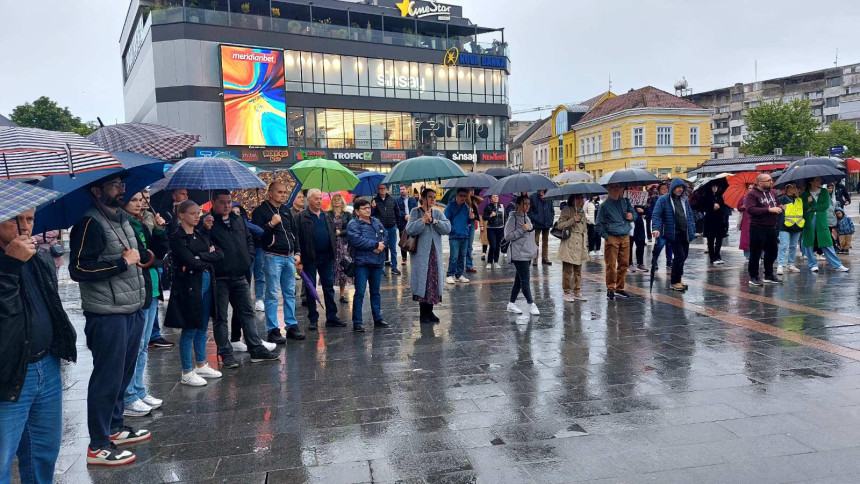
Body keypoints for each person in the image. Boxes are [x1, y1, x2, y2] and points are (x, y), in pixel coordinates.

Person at [69, 176, 152, 466]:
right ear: (96, 190)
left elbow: (134, 256)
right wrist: (121, 262)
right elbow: (79, 270)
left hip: (132, 308)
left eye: (122, 184)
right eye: (115, 185)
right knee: (107, 378)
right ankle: (99, 444)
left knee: (123, 375)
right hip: (108, 313)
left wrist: (142, 255)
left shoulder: (123, 220)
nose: (122, 189)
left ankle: (115, 426)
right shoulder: (89, 223)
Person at [0, 208, 77, 480]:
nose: (24, 227)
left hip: (47, 365)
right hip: (10, 374)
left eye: (29, 219)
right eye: (13, 219)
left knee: (42, 453)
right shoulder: (10, 262)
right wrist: (9, 266)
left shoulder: (38, 258)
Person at [205, 191, 280, 368]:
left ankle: (256, 348)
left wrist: (249, 257)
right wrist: (205, 229)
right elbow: (203, 246)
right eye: (222, 202)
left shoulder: (238, 219)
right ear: (213, 202)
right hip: (220, 277)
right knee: (221, 317)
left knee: (247, 313)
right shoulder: (207, 222)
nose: (226, 205)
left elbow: (249, 239)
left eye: (229, 202)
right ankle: (226, 353)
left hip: (240, 275)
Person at [163, 201, 224, 386]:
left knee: (202, 326)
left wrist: (202, 256)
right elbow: (190, 261)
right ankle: (187, 371)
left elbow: (219, 254)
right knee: (189, 328)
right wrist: (206, 256)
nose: (197, 216)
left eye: (199, 212)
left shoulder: (200, 233)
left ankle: (201, 363)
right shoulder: (177, 237)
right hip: (189, 286)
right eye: (193, 213)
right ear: (181, 215)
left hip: (206, 283)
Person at [121, 192, 169, 418]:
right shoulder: (125, 226)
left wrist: (159, 230)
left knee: (142, 345)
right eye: (134, 200)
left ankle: (139, 390)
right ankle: (129, 395)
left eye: (141, 200)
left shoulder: (141, 224)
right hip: (138, 288)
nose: (140, 204)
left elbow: (158, 253)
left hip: (151, 287)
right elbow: (142, 256)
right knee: (136, 344)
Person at [251, 183, 305, 343]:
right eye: (279, 192)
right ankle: (273, 329)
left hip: (289, 256)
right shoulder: (260, 211)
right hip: (272, 256)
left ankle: (291, 326)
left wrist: (297, 252)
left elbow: (294, 233)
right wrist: (271, 224)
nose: (283, 195)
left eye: (285, 192)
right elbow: (257, 235)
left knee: (290, 293)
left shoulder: (286, 210)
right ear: (270, 193)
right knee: (273, 294)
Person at [295, 189, 346, 330]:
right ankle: (313, 318)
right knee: (311, 288)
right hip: (309, 258)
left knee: (329, 287)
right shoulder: (301, 217)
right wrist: (300, 259)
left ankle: (332, 316)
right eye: (316, 198)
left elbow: (332, 233)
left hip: (327, 257)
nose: (319, 201)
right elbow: (297, 238)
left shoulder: (326, 215)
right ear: (309, 200)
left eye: (320, 198)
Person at [406, 188, 451, 324]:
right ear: (423, 198)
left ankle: (430, 311)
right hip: (421, 256)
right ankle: (423, 313)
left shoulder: (438, 213)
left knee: (433, 282)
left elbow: (447, 228)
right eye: (430, 197)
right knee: (423, 283)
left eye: (434, 197)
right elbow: (410, 230)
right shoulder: (415, 212)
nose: (433, 199)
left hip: (435, 255)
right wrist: (422, 221)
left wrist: (434, 221)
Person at [347, 199, 389, 332]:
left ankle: (378, 317)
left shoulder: (376, 221)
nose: (367, 210)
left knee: (375, 292)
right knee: (360, 292)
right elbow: (357, 240)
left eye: (368, 208)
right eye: (364, 208)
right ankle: (357, 321)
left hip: (377, 261)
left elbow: (385, 234)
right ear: (357, 211)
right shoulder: (353, 224)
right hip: (362, 263)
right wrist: (375, 245)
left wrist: (382, 245)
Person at [651, 178, 696, 291]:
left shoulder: (684, 199)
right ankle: (674, 282)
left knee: (684, 256)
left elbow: (689, 214)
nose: (680, 189)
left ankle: (678, 279)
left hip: (685, 233)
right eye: (678, 187)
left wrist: (692, 227)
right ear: (673, 188)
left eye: (682, 187)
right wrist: (656, 228)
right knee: (679, 256)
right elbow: (656, 214)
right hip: (673, 233)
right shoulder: (664, 199)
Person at [801, 177, 850, 273]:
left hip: (821, 220)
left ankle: (837, 265)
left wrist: (813, 207)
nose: (820, 182)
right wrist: (810, 206)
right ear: (811, 182)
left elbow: (826, 205)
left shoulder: (824, 192)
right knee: (809, 242)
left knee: (827, 241)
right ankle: (812, 264)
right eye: (817, 180)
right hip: (809, 220)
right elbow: (804, 206)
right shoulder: (805, 194)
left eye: (819, 180)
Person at [595, 183, 635, 299]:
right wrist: (607, 236)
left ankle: (620, 287)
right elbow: (598, 224)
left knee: (624, 264)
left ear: (622, 188)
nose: (616, 189)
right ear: (608, 190)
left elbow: (634, 215)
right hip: (612, 236)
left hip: (625, 236)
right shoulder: (604, 206)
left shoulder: (626, 202)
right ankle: (611, 288)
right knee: (611, 265)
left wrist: (632, 216)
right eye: (613, 187)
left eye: (618, 187)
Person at [743, 174, 783, 285]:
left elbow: (776, 204)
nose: (771, 182)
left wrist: (780, 207)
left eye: (771, 180)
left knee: (772, 252)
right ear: (760, 183)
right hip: (758, 226)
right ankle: (754, 276)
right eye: (768, 180)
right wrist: (768, 210)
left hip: (772, 226)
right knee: (755, 253)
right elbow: (750, 209)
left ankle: (769, 275)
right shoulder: (752, 194)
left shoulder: (773, 192)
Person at [504, 195, 541, 315]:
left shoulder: (527, 217)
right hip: (519, 253)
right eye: (525, 204)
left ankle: (511, 303)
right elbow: (507, 236)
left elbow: (530, 232)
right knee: (525, 280)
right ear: (518, 204)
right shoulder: (513, 218)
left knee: (519, 280)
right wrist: (521, 230)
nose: (527, 206)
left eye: (528, 204)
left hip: (528, 252)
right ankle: (531, 304)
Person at [557, 194, 589, 302]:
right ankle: (567, 291)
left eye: (581, 198)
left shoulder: (582, 212)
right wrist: (572, 220)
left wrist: (586, 242)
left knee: (578, 270)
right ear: (573, 200)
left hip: (580, 243)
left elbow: (584, 228)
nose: (580, 200)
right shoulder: (567, 210)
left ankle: (577, 291)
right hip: (569, 243)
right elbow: (560, 225)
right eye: (577, 198)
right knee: (567, 270)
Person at [444, 188, 473, 284]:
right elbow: (445, 220)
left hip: (464, 235)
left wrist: (471, 218)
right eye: (461, 195)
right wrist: (452, 229)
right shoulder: (450, 206)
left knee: (462, 257)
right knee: (454, 257)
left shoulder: (466, 207)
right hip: (454, 236)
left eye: (465, 196)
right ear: (457, 196)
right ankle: (450, 274)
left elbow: (467, 221)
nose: (463, 198)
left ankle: (459, 274)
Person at [371, 184, 401, 275]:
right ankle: (381, 268)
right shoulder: (375, 200)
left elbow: (397, 212)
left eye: (384, 188)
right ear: (378, 190)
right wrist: (373, 208)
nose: (382, 190)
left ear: (386, 189)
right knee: (382, 248)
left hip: (392, 227)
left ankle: (394, 267)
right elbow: (371, 215)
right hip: (381, 229)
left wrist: (397, 224)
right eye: (380, 188)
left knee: (393, 248)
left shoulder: (392, 199)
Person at [329, 193, 353, 302]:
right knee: (332, 268)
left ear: (342, 202)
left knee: (343, 268)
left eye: (338, 199)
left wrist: (341, 232)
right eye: (334, 199)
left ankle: (342, 295)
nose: (336, 201)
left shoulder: (347, 214)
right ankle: (330, 293)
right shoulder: (328, 214)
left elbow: (351, 229)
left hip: (343, 244)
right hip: (332, 244)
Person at [777, 182, 804, 275]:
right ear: (788, 188)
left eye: (796, 187)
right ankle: (781, 264)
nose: (796, 189)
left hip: (797, 225)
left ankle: (790, 264)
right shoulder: (782, 198)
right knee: (784, 245)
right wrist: (780, 207)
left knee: (793, 246)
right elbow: (776, 208)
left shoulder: (799, 199)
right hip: (785, 225)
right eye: (793, 187)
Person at [700, 183, 729, 265]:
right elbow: (703, 207)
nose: (715, 188)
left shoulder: (720, 196)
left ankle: (717, 255)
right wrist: (712, 207)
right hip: (710, 221)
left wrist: (719, 206)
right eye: (713, 186)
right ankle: (712, 257)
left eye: (716, 186)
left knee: (719, 239)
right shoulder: (706, 196)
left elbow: (725, 207)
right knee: (711, 240)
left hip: (719, 220)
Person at [650, 184, 674, 268]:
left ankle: (669, 261)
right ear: (659, 191)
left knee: (669, 243)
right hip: (660, 225)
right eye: (662, 189)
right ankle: (654, 260)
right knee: (660, 243)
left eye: (666, 188)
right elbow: (654, 213)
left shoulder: (671, 199)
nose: (665, 190)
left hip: (669, 225)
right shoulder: (656, 199)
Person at [528, 189, 554, 266]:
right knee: (536, 241)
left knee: (545, 241)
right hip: (537, 223)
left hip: (547, 222)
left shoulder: (549, 196)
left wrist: (550, 219)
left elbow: (552, 210)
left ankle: (545, 258)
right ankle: (535, 258)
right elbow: (530, 211)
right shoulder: (533, 197)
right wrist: (536, 218)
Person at [395, 186, 417, 266]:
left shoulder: (413, 199)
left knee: (413, 239)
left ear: (407, 190)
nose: (402, 191)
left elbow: (415, 209)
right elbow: (397, 210)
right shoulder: (397, 200)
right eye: (400, 189)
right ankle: (404, 258)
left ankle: (413, 256)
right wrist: (405, 215)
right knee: (403, 239)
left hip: (412, 221)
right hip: (402, 221)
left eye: (403, 189)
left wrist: (411, 216)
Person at [483, 194, 505, 269]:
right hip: (491, 228)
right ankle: (489, 262)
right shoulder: (488, 207)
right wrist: (490, 216)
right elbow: (484, 217)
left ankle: (496, 261)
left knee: (498, 246)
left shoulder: (501, 206)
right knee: (493, 245)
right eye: (494, 197)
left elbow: (504, 217)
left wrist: (504, 226)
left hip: (500, 228)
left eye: (496, 196)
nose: (495, 198)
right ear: (491, 199)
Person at [465, 190, 482, 273]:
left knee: (469, 245)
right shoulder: (464, 201)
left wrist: (474, 216)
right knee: (464, 245)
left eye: (473, 190)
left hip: (471, 224)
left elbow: (481, 200)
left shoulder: (473, 201)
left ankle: (469, 265)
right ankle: (462, 264)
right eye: (470, 190)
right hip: (464, 223)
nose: (472, 191)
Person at [629, 204, 647, 272]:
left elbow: (647, 211)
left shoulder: (641, 201)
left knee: (641, 243)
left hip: (639, 223)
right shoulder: (625, 200)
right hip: (629, 223)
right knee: (629, 244)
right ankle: (629, 263)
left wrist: (643, 211)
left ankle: (640, 263)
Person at [737, 184, 753, 260]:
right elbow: (739, 207)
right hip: (746, 221)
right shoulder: (743, 197)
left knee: (757, 237)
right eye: (750, 188)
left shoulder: (758, 197)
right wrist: (742, 207)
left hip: (756, 220)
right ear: (747, 189)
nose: (751, 189)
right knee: (746, 239)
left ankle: (760, 254)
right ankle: (747, 255)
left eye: (752, 188)